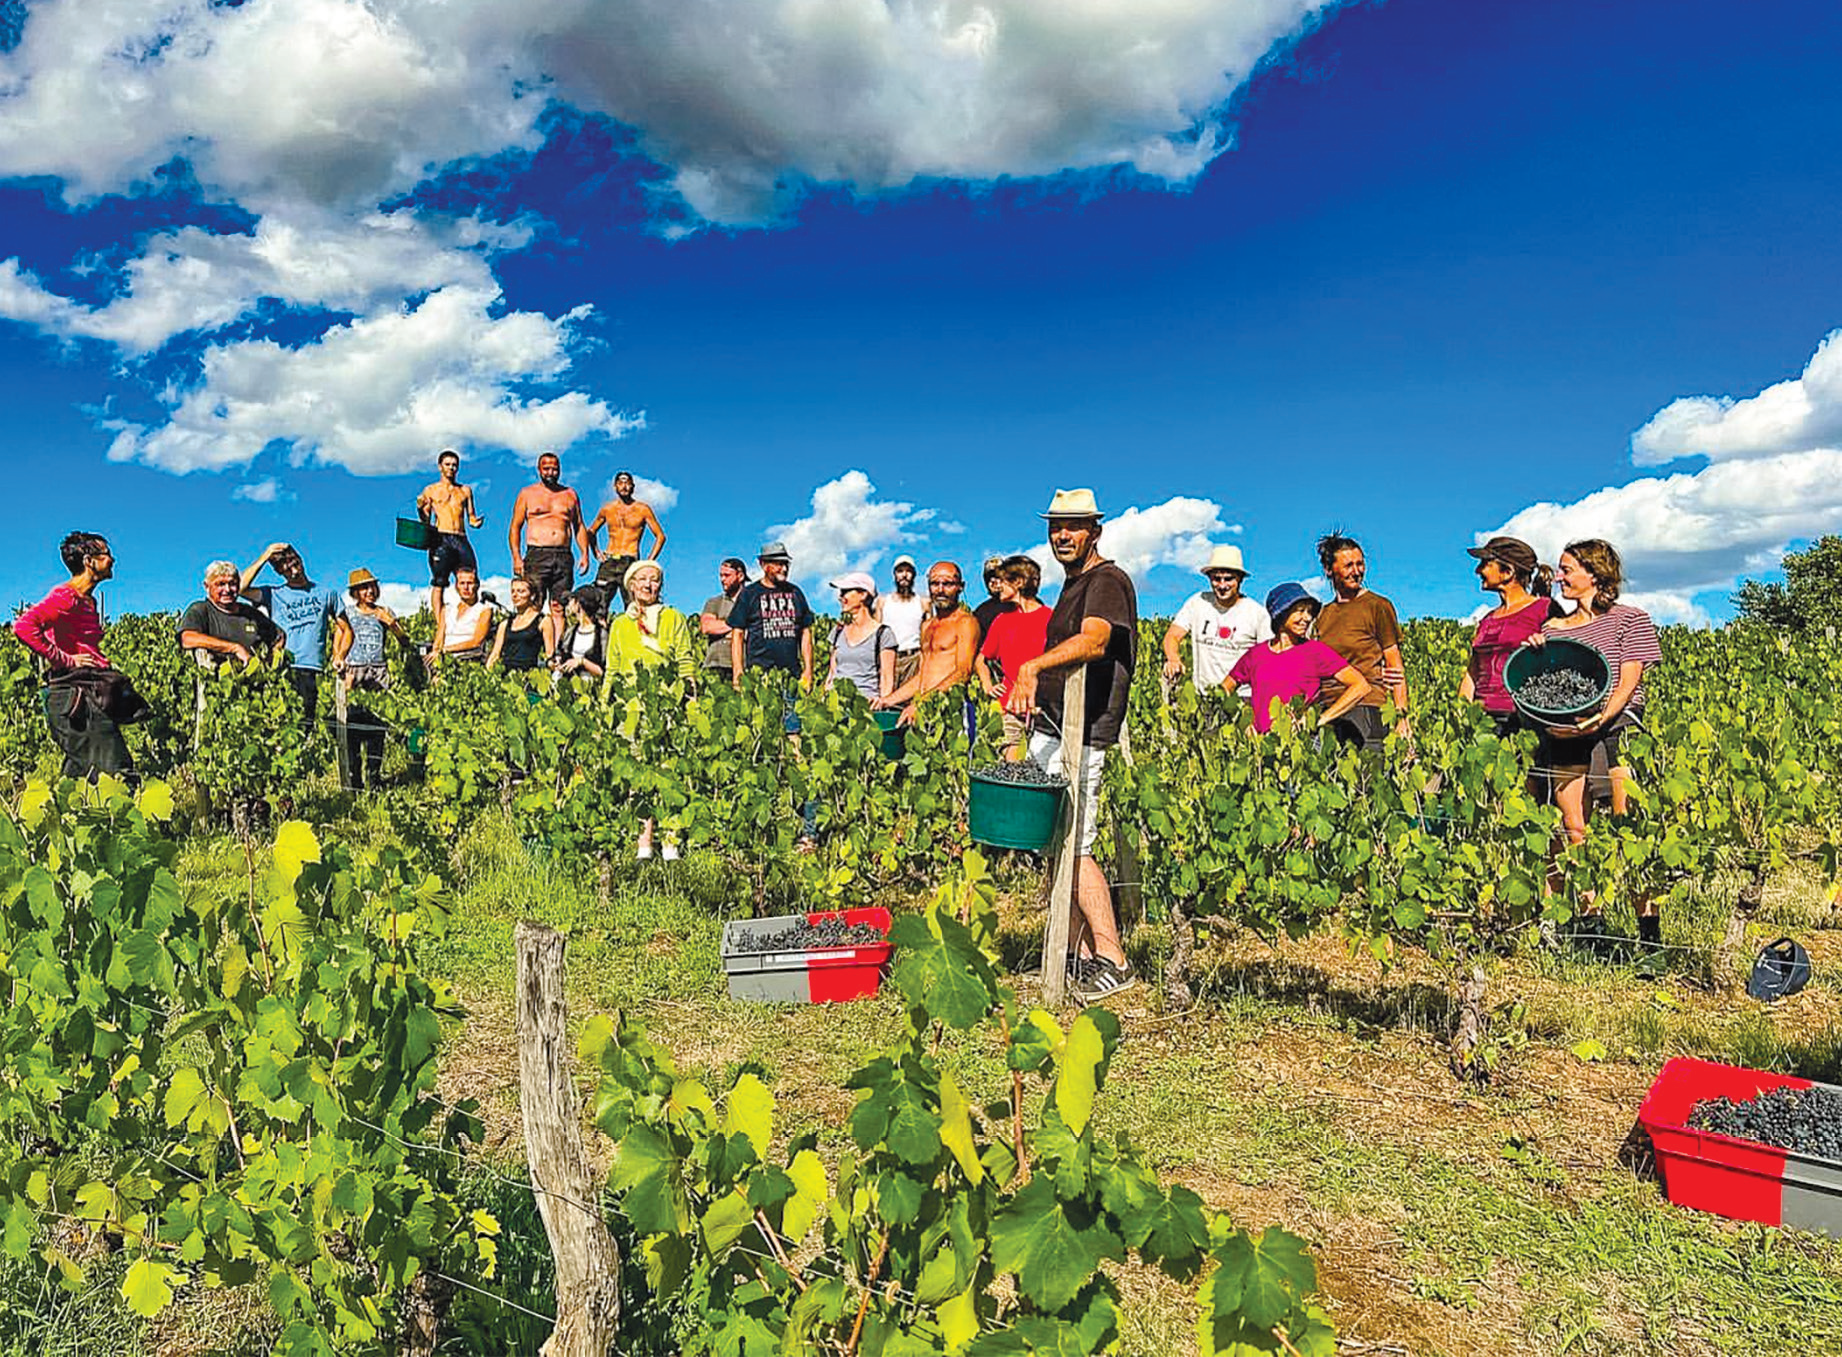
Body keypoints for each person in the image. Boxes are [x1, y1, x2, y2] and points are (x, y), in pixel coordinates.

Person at [1005, 490, 1137, 1002]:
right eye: (1056, 526)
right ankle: (1079, 955)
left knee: (1075, 845)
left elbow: (1096, 641)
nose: (1062, 535)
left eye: (1073, 526)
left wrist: (1032, 667)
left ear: (1094, 531)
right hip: (1056, 727)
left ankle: (1114, 958)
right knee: (1053, 841)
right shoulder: (1073, 584)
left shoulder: (1107, 581)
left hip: (1084, 733)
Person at [1529, 539, 1663, 953]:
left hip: (1617, 725)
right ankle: (1593, 928)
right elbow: (1548, 682)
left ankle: (1650, 938)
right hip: (1568, 730)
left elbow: (1629, 679)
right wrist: (1536, 652)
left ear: (1595, 573)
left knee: (1628, 828)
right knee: (1575, 830)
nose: (1559, 577)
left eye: (1567, 569)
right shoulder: (1554, 629)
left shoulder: (1630, 620)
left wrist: (1601, 718)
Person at [14, 532, 136, 780]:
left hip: (84, 693)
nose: (112, 560)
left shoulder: (87, 600)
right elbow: (24, 626)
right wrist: (67, 659)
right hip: (75, 696)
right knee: (118, 775)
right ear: (89, 561)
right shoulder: (65, 597)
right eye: (106, 554)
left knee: (79, 779)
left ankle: (58, 817)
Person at [605, 559, 699, 860]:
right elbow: (613, 667)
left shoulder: (673, 618)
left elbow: (685, 659)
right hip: (630, 707)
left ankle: (670, 840)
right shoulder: (620, 623)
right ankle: (643, 842)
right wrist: (605, 704)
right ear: (631, 586)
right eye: (642, 580)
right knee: (638, 775)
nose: (648, 585)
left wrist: (691, 698)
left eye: (654, 580)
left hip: (666, 703)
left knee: (668, 773)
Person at [1229, 583, 1372, 735]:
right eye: (1300, 611)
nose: (1308, 618)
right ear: (1281, 613)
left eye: (1309, 612)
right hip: (1262, 747)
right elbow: (1224, 689)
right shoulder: (1256, 655)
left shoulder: (1315, 651)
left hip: (1303, 744)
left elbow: (1361, 686)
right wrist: (1242, 722)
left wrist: (1319, 719)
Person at [1313, 532, 1409, 750]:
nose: (1356, 572)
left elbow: (1395, 665)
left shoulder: (1378, 606)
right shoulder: (1322, 614)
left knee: (1365, 782)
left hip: (1367, 706)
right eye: (1348, 566)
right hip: (1329, 709)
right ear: (1329, 570)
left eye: (1360, 564)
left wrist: (1402, 717)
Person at [240, 541, 351, 725]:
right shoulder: (273, 594)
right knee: (277, 726)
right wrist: (265, 556)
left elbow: (346, 629)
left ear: (300, 559)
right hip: (281, 668)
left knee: (304, 727)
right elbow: (241, 588)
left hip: (311, 669)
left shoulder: (326, 594)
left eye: (292, 560)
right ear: (278, 571)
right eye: (283, 565)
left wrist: (339, 654)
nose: (290, 566)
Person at [1459, 536, 1559, 736]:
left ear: (1508, 572)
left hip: (1522, 718)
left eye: (1485, 564)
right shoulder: (1487, 619)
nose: (1478, 571)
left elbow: (1560, 661)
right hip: (1480, 718)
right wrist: (1461, 715)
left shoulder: (1545, 609)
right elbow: (1473, 672)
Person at [331, 568, 413, 790]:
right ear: (355, 592)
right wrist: (339, 661)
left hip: (378, 672)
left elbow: (405, 641)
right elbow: (338, 640)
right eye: (363, 588)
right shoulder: (347, 613)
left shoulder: (384, 612)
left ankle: (375, 780)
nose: (369, 591)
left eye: (372, 587)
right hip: (354, 673)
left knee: (378, 730)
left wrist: (391, 623)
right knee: (353, 732)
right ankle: (355, 782)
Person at [875, 561, 980, 727]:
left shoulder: (966, 623)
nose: (940, 590)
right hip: (925, 710)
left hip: (950, 711)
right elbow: (922, 677)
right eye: (935, 583)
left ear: (961, 587)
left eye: (947, 584)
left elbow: (963, 672)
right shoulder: (927, 626)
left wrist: (919, 704)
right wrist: (887, 700)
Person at [1162, 545, 1272, 698]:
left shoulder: (1257, 614)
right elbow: (1172, 636)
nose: (1222, 585)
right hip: (1203, 698)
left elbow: (1267, 660)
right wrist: (1173, 658)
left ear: (1240, 579)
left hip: (1242, 698)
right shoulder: (1197, 602)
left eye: (1228, 579)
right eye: (1216, 579)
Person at [976, 554, 1050, 759]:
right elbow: (981, 659)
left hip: (1042, 711)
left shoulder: (1050, 618)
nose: (998, 586)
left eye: (1003, 581)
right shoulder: (1002, 621)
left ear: (1018, 583)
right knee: (1011, 771)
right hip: (1008, 709)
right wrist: (987, 686)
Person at [508, 453, 591, 616]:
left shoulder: (570, 494)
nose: (551, 472)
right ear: (539, 470)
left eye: (555, 469)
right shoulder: (527, 493)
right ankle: (536, 641)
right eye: (546, 469)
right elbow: (515, 527)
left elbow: (579, 526)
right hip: (537, 554)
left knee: (559, 606)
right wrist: (516, 557)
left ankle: (557, 642)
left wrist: (585, 554)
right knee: (534, 603)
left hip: (563, 555)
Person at [418, 448, 484, 643]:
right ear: (440, 467)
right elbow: (425, 520)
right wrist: (420, 507)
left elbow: (471, 516)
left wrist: (476, 522)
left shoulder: (465, 491)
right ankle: (442, 627)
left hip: (461, 538)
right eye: (448, 464)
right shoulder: (431, 490)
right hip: (441, 538)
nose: (451, 468)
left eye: (455, 465)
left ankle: (471, 621)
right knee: (439, 582)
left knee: (471, 578)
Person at [728, 542, 814, 687]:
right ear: (763, 564)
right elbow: (738, 634)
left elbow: (806, 633)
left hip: (792, 678)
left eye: (786, 564)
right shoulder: (749, 594)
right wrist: (738, 673)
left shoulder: (796, 593)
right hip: (759, 677)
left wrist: (808, 671)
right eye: (778, 564)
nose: (784, 569)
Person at [179, 560, 283, 668]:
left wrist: (271, 665)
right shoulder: (200, 609)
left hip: (254, 680)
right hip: (215, 681)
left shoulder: (250, 613)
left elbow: (279, 636)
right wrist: (234, 648)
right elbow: (187, 638)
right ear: (207, 586)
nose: (227, 589)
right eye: (221, 584)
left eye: (232, 584)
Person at [587, 471, 667, 604]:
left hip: (630, 561)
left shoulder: (642, 509)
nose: (624, 486)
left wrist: (647, 562)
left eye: (627, 483)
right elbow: (591, 531)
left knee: (633, 604)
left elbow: (660, 536)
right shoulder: (608, 509)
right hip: (609, 561)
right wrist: (596, 552)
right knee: (599, 603)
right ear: (615, 487)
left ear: (633, 487)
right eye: (620, 483)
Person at [825, 572, 895, 703]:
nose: (840, 597)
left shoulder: (883, 634)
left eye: (845, 592)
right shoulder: (838, 631)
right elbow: (832, 673)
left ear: (863, 595)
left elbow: (886, 678)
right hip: (835, 708)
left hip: (865, 709)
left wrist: (883, 705)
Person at [487, 577, 556, 672]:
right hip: (507, 677)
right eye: (513, 591)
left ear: (532, 595)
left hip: (530, 676)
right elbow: (495, 654)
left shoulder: (543, 621)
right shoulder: (505, 623)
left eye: (521, 591)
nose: (515, 595)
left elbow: (550, 654)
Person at [876, 555, 926, 687]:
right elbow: (875, 634)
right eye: (900, 571)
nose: (904, 575)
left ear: (914, 575)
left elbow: (929, 637)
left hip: (913, 659)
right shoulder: (882, 602)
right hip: (888, 659)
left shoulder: (923, 603)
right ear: (894, 575)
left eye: (908, 571)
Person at [698, 558, 749, 681]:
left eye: (727, 575)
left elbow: (755, 632)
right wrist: (739, 627)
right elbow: (707, 627)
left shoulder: (752, 602)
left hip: (745, 665)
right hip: (714, 665)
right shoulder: (714, 602)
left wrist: (723, 628)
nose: (722, 579)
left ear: (740, 576)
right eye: (721, 575)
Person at [431, 568, 495, 665]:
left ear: (476, 586)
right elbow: (439, 637)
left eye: (469, 583)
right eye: (462, 583)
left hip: (468, 658)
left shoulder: (484, 610)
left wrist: (445, 650)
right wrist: (435, 651)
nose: (466, 587)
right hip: (444, 659)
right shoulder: (448, 609)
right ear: (457, 587)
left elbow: (476, 642)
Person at [554, 586, 608, 681]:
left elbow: (604, 671)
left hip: (590, 687)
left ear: (579, 604)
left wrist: (582, 662)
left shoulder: (601, 634)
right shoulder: (570, 631)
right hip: (567, 685)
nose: (568, 604)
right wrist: (555, 662)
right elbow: (559, 653)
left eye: (571, 600)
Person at [971, 556, 1014, 643]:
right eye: (989, 577)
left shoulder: (1024, 603)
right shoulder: (980, 612)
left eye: (998, 576)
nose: (994, 581)